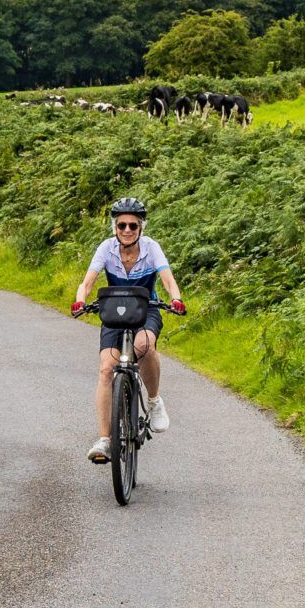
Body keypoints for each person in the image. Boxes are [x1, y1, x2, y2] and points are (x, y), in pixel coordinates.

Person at [69, 197, 185, 463]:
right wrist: (80, 300)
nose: (127, 230)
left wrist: (176, 298)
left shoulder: (151, 248)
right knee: (107, 368)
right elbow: (88, 282)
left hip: (146, 309)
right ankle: (104, 440)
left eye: (133, 225)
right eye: (122, 225)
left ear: (141, 227)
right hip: (115, 310)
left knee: (144, 345)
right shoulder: (106, 249)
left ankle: (154, 402)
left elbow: (167, 278)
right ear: (115, 227)